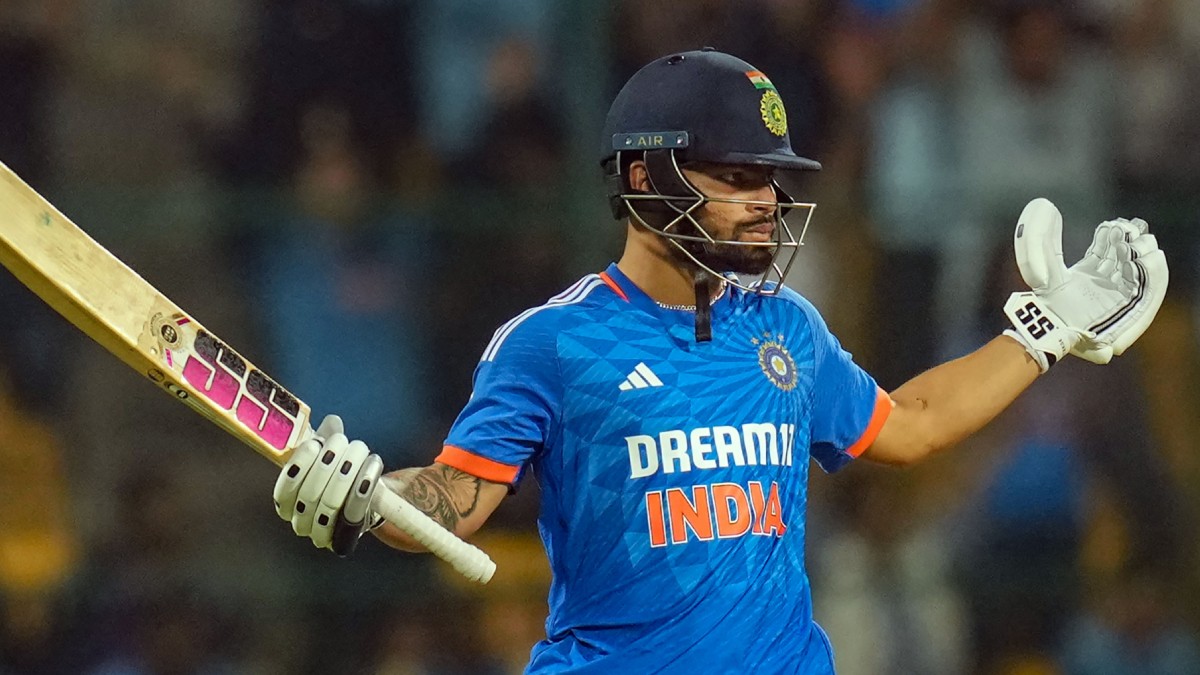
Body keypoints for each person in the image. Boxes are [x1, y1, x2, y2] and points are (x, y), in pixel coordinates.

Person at [269, 49, 1168, 673]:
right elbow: (456, 498)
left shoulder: (788, 328)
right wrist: (372, 497)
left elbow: (914, 424)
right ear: (643, 179)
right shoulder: (552, 344)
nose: (766, 200)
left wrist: (1045, 330)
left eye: (769, 177)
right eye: (736, 175)